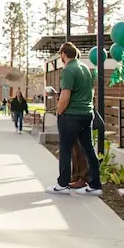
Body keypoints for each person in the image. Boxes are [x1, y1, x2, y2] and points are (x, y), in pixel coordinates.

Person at [47, 42, 103, 196]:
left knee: (65, 149)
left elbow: (66, 96)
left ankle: (62, 184)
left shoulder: (68, 70)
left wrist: (59, 112)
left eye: (61, 56)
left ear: (64, 54)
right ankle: (95, 185)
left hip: (71, 116)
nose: (61, 59)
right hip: (87, 114)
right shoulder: (84, 68)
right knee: (89, 149)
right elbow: (87, 92)